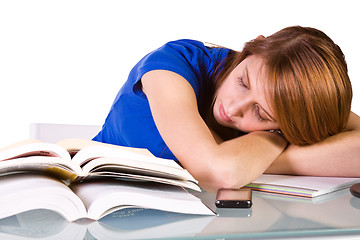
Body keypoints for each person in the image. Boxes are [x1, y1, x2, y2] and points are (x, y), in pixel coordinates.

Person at [93, 26, 360, 192]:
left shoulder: (290, 111)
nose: (233, 108)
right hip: (97, 196)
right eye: (243, 82)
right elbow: (218, 172)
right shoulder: (173, 63)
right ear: (251, 48)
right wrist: (273, 139)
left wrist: (267, 143)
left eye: (261, 114)